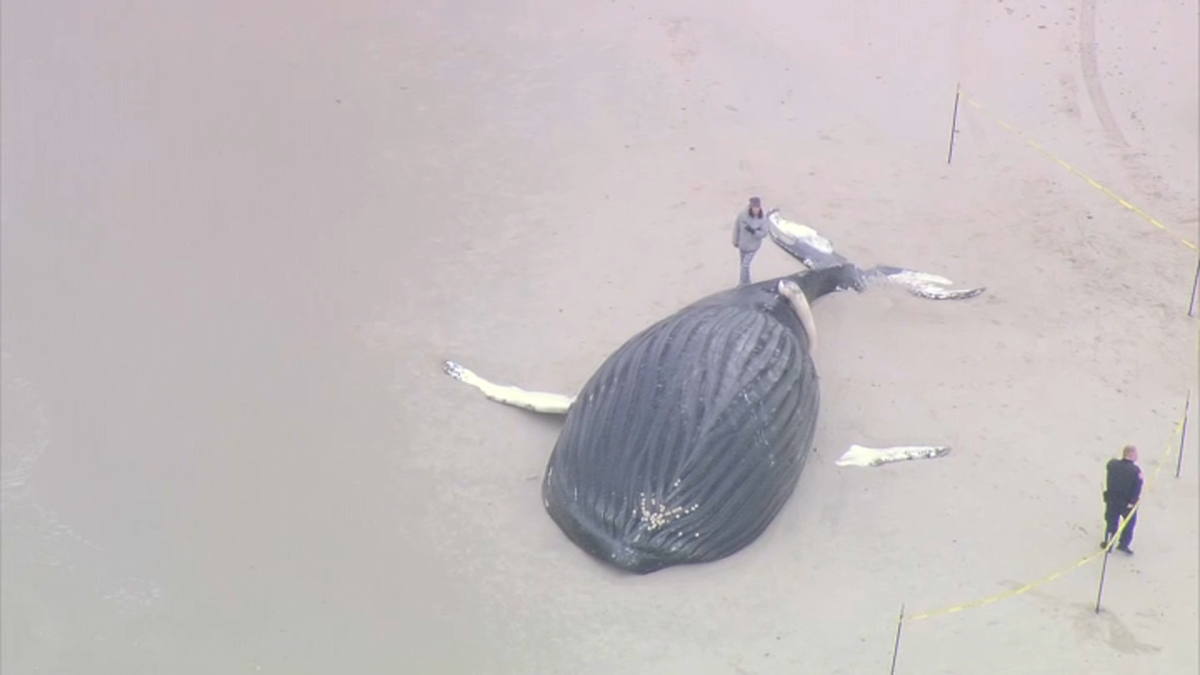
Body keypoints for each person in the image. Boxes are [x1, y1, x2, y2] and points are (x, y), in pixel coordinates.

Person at [1101, 444, 1143, 554]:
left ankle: (1108, 543)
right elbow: (1137, 488)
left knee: (1111, 522)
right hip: (1126, 503)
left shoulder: (1112, 465)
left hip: (1112, 500)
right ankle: (1123, 544)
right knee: (1129, 524)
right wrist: (1132, 502)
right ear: (1131, 455)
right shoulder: (1135, 471)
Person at [732, 196, 769, 286]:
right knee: (743, 265)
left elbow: (764, 233)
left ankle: (742, 284)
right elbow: (737, 228)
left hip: (753, 246)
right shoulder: (742, 215)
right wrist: (735, 240)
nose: (756, 210)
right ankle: (747, 283)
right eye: (754, 208)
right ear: (751, 207)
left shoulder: (762, 219)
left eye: (758, 208)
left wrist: (754, 231)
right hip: (743, 245)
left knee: (745, 266)